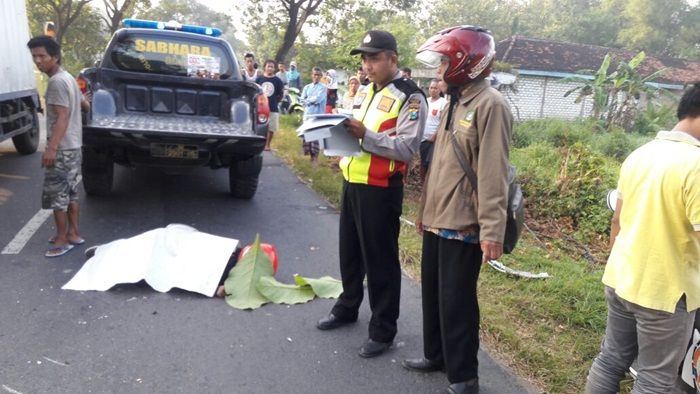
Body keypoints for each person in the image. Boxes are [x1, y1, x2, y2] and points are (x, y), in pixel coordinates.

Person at [403, 26, 511, 394]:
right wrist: (422, 210)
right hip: (437, 216)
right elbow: (442, 164)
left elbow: (494, 172)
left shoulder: (490, 104)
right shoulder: (454, 100)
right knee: (433, 292)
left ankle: (464, 376)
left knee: (457, 302)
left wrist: (492, 231)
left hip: (464, 223)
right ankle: (436, 355)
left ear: (467, 62)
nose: (439, 70)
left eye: (445, 62)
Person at [316, 30, 427, 359]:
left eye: (374, 58)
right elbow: (358, 132)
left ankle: (383, 329)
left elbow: (406, 148)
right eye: (364, 58)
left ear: (393, 59)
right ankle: (347, 307)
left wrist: (365, 136)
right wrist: (339, 142)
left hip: (381, 190)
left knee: (381, 262)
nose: (367, 64)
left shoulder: (412, 97)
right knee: (349, 253)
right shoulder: (365, 91)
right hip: (353, 182)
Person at [585, 83, 700, 393]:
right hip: (666, 292)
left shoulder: (642, 153)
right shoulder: (696, 165)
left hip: (621, 277)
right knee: (655, 378)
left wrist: (617, 267)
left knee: (610, 360)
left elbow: (617, 220)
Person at [27, 36, 90, 258]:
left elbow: (62, 117)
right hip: (74, 147)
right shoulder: (69, 78)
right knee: (71, 193)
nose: (38, 61)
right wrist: (80, 99)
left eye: (42, 56)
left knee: (58, 197)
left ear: (55, 56)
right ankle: (73, 233)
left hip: (62, 149)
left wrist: (51, 148)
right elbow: (85, 104)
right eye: (34, 56)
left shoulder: (55, 82)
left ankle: (62, 240)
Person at [419, 79, 447, 183]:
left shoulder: (443, 103)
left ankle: (430, 185)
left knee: (430, 164)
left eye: (436, 88)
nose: (433, 90)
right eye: (431, 88)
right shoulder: (425, 101)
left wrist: (435, 135)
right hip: (422, 138)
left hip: (433, 140)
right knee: (422, 164)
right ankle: (423, 187)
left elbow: (443, 122)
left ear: (440, 90)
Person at [256, 59, 285, 151]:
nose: (270, 68)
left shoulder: (278, 81)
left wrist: (275, 101)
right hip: (260, 107)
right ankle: (259, 144)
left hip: (272, 107)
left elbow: (281, 94)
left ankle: (267, 145)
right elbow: (255, 92)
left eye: (272, 67)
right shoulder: (259, 79)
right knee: (259, 125)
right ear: (264, 67)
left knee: (271, 127)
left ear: (274, 69)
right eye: (268, 66)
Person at [299, 67, 327, 162]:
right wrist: (310, 100)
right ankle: (310, 160)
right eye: (314, 74)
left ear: (321, 76)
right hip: (307, 116)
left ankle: (315, 160)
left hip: (317, 117)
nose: (316, 76)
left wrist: (308, 100)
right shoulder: (307, 87)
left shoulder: (323, 88)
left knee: (316, 140)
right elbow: (301, 100)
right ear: (312, 75)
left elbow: (318, 99)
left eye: (318, 75)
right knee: (307, 139)